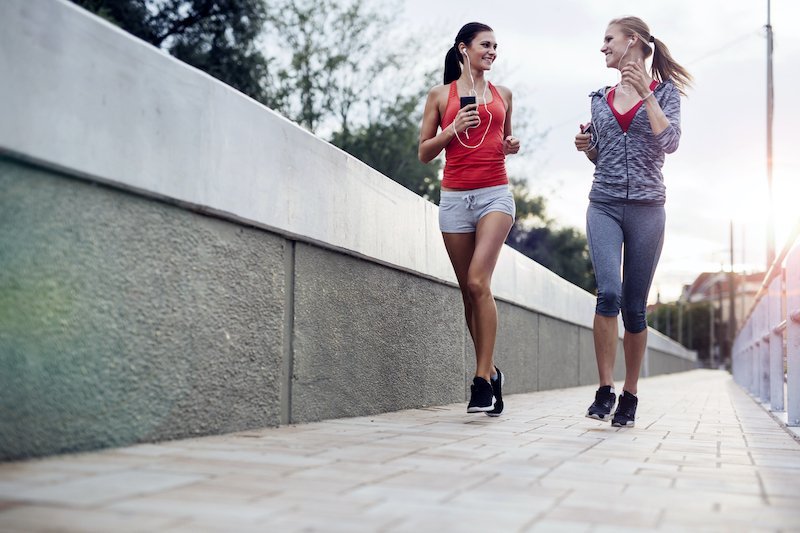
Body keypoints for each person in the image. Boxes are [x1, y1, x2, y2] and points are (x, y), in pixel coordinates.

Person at [574, 16, 691, 427]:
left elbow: (670, 142)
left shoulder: (666, 93)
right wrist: (588, 147)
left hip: (648, 209)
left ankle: (630, 394)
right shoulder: (598, 97)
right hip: (604, 205)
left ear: (633, 41)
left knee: (635, 309)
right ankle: (605, 388)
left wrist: (647, 95)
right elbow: (601, 155)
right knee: (608, 293)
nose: (603, 47)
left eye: (609, 39)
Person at [419, 22, 520, 416]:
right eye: (485, 45)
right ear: (464, 48)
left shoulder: (503, 94)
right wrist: (452, 129)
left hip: (495, 194)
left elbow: (504, 141)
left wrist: (511, 145)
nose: (492, 51)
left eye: (495, 46)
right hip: (454, 200)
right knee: (468, 292)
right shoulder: (439, 95)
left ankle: (480, 382)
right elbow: (424, 152)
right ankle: (492, 372)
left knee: (479, 281)